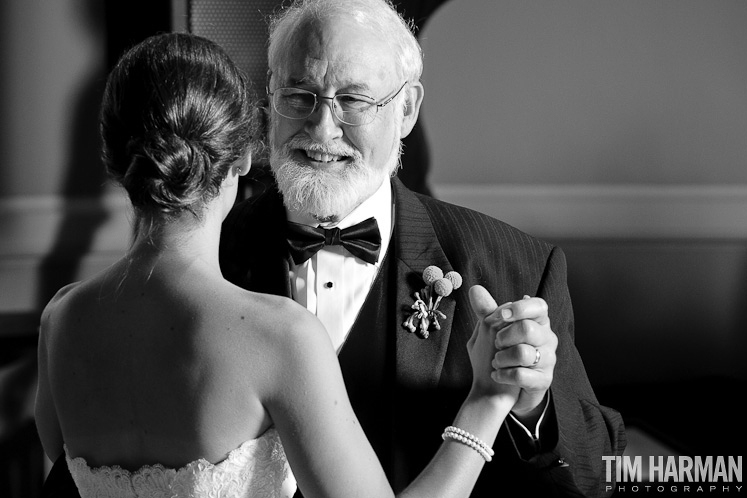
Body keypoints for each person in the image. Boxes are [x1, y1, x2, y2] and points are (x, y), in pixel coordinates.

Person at [35, 32, 538, 498]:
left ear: (116, 160)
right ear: (241, 161)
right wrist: (487, 402)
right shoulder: (280, 336)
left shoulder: (60, 321)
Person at [218, 0, 627, 497]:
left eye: (353, 100)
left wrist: (531, 406)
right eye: (300, 95)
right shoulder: (209, 254)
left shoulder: (516, 267)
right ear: (269, 101)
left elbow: (597, 476)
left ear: (407, 109)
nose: (322, 129)